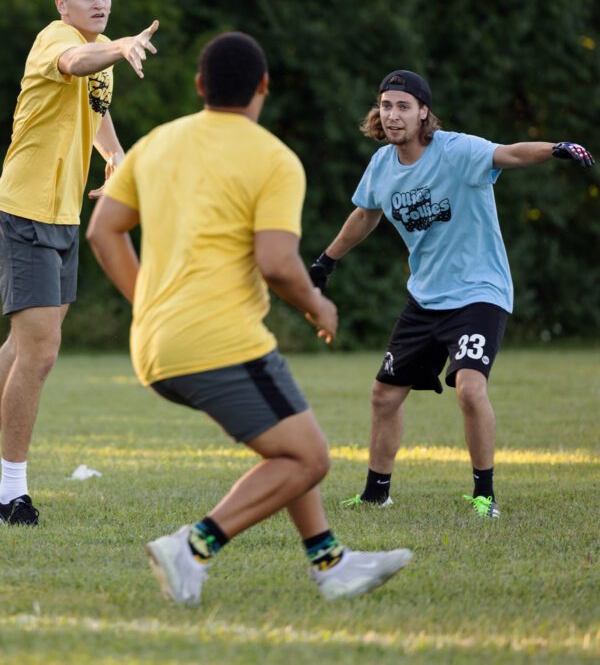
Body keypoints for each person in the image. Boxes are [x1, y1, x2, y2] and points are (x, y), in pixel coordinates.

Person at [86, 32, 412, 605]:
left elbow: (103, 231)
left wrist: (148, 306)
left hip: (158, 346)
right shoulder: (273, 159)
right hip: (221, 342)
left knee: (290, 442)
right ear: (263, 87)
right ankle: (192, 547)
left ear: (198, 86)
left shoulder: (157, 143)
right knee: (309, 457)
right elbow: (278, 264)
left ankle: (330, 562)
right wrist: (319, 304)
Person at [309, 69, 594, 519]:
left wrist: (555, 148)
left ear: (424, 113)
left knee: (468, 387)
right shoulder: (382, 164)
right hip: (426, 298)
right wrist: (326, 262)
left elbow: (508, 155)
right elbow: (365, 215)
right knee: (384, 395)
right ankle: (376, 494)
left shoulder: (457, 150)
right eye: (386, 106)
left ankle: (484, 497)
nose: (393, 115)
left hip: (479, 291)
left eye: (404, 106)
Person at [0, 0, 160, 525]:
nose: (98, 4)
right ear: (61, 2)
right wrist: (116, 47)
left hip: (65, 214)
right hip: (27, 210)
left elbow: (98, 111)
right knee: (41, 353)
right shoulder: (57, 39)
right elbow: (73, 61)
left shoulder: (104, 54)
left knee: (22, 350)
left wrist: (115, 156)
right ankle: (10, 491)